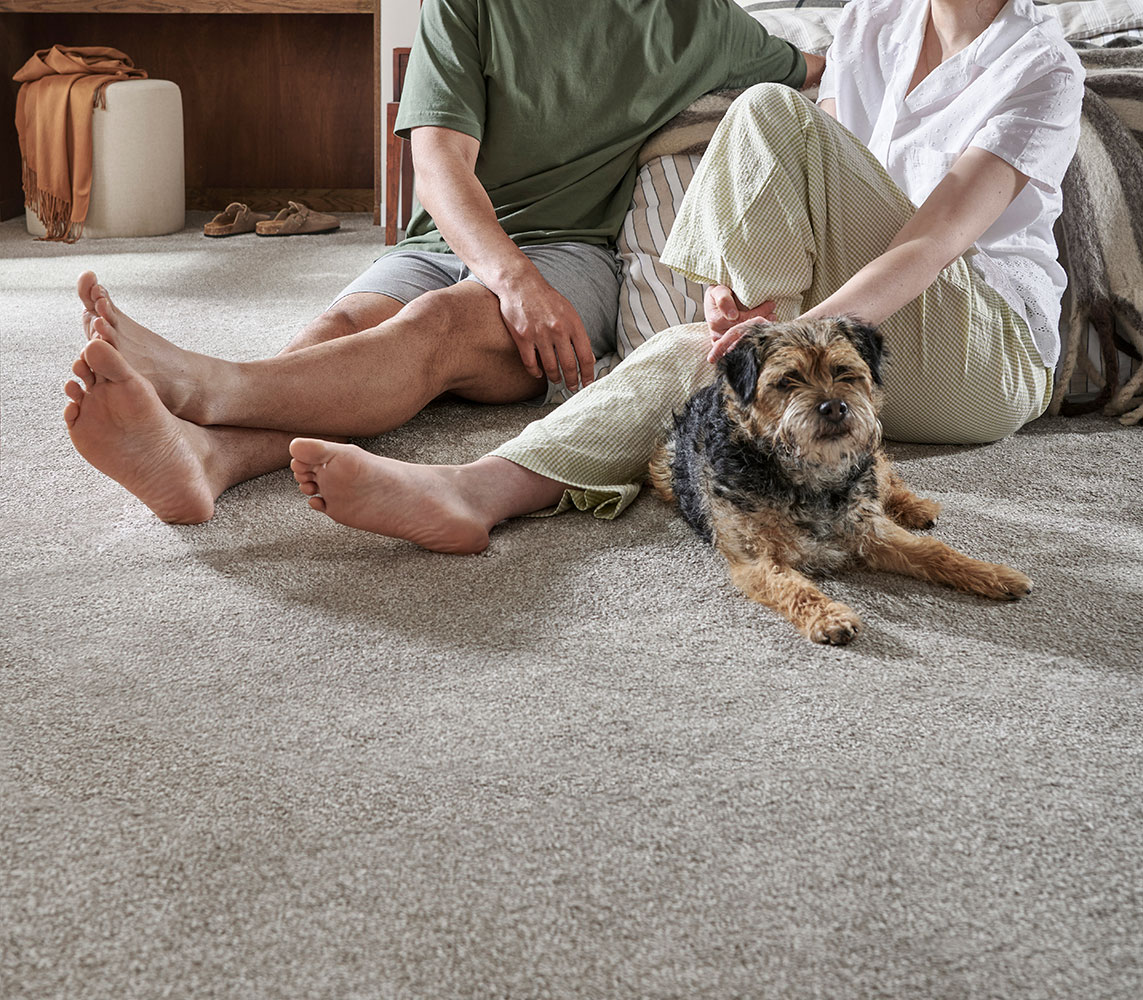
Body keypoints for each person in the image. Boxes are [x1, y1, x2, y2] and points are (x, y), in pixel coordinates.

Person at [281, 0, 1087, 555]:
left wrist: (792, 330)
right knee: (693, 349)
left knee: (767, 109)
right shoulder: (870, 22)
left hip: (985, 359)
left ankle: (763, 358)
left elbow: (931, 242)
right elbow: (821, 185)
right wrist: (740, 295)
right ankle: (474, 492)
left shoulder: (1041, 65)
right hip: (858, 359)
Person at [62, 0, 824, 525]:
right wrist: (511, 278)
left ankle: (206, 385)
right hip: (444, 240)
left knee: (437, 324)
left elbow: (825, 68)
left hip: (573, 254)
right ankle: (209, 458)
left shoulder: (706, 22)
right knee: (338, 329)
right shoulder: (468, 5)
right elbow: (437, 163)